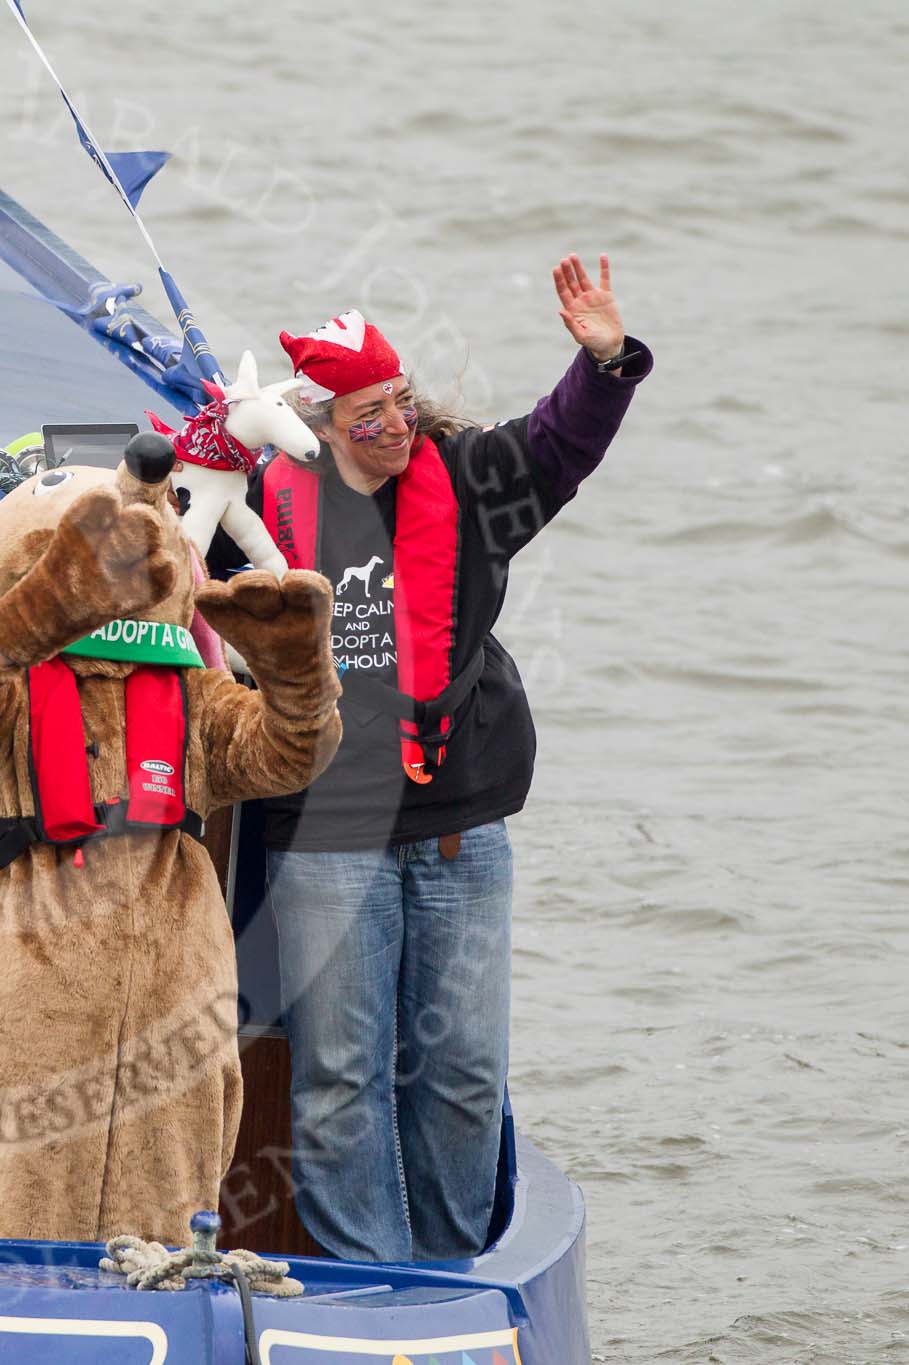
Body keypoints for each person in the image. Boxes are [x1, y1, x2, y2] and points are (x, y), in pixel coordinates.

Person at [242, 254, 652, 1261]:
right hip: (324, 832)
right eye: (362, 417)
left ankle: (453, 1269)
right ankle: (367, 1283)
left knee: (461, 1071)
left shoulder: (468, 480)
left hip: (457, 827)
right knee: (339, 1074)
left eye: (397, 405)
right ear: (320, 427)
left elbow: (558, 446)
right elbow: (158, 547)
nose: (388, 429)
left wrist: (602, 361)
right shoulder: (257, 509)